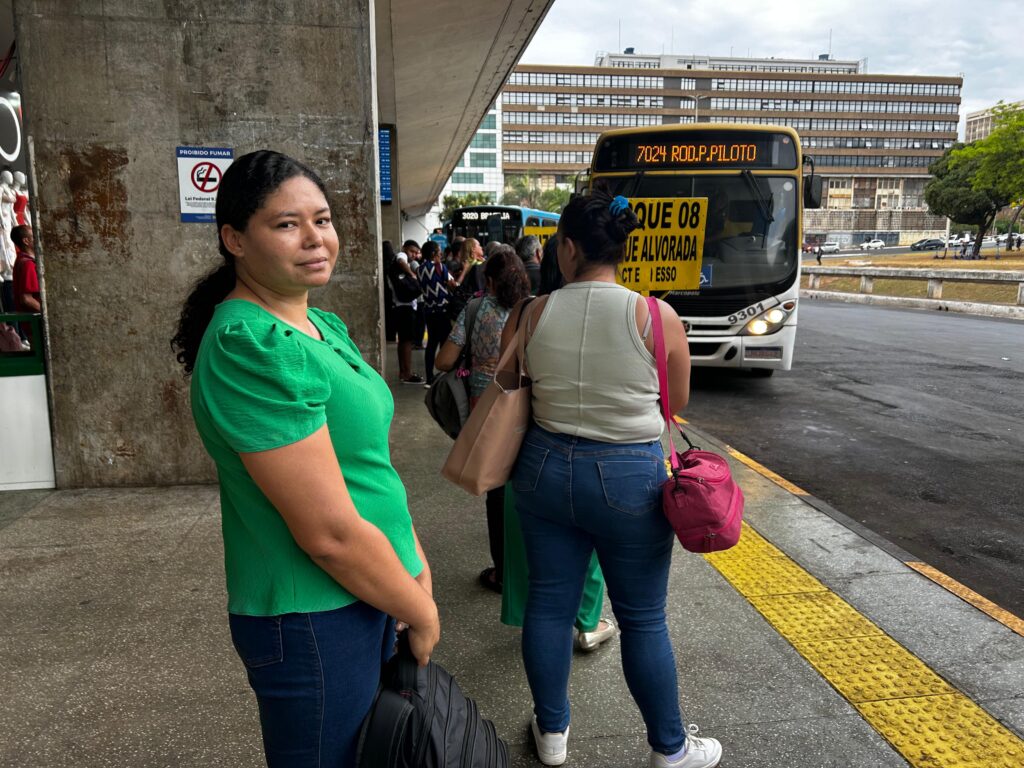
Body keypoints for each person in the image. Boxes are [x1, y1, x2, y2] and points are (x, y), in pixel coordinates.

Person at [170, 150, 439, 768]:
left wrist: (411, 564)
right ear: (234, 239)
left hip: (372, 594)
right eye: (287, 224)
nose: (316, 238)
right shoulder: (250, 346)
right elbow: (328, 533)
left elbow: (365, 466)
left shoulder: (322, 326)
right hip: (315, 620)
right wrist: (420, 608)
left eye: (322, 219)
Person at [502, 191, 721, 768]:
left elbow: (503, 377)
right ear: (621, 251)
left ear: (567, 247)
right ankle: (670, 750)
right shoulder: (656, 314)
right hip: (631, 478)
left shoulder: (532, 311)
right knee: (643, 616)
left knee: (548, 606)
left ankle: (552, 736)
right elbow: (678, 400)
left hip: (544, 468)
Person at [436, 246, 531, 595]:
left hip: (486, 410)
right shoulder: (536, 309)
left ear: (488, 281)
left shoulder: (475, 309)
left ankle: (503, 574)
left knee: (496, 490)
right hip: (528, 409)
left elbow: (445, 361)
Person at [417, 239, 454, 387]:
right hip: (442, 310)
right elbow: (451, 284)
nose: (441, 254)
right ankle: (445, 375)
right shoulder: (440, 267)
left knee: (431, 343)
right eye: (439, 252)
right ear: (433, 254)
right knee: (445, 343)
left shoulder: (419, 269)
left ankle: (429, 377)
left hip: (429, 310)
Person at [391, 239, 424, 383]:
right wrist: (412, 275)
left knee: (404, 341)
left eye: (417, 253)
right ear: (404, 248)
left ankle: (403, 372)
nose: (414, 255)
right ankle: (407, 374)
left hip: (401, 306)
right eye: (412, 251)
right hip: (404, 307)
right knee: (407, 341)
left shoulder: (404, 261)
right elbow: (401, 260)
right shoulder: (401, 256)